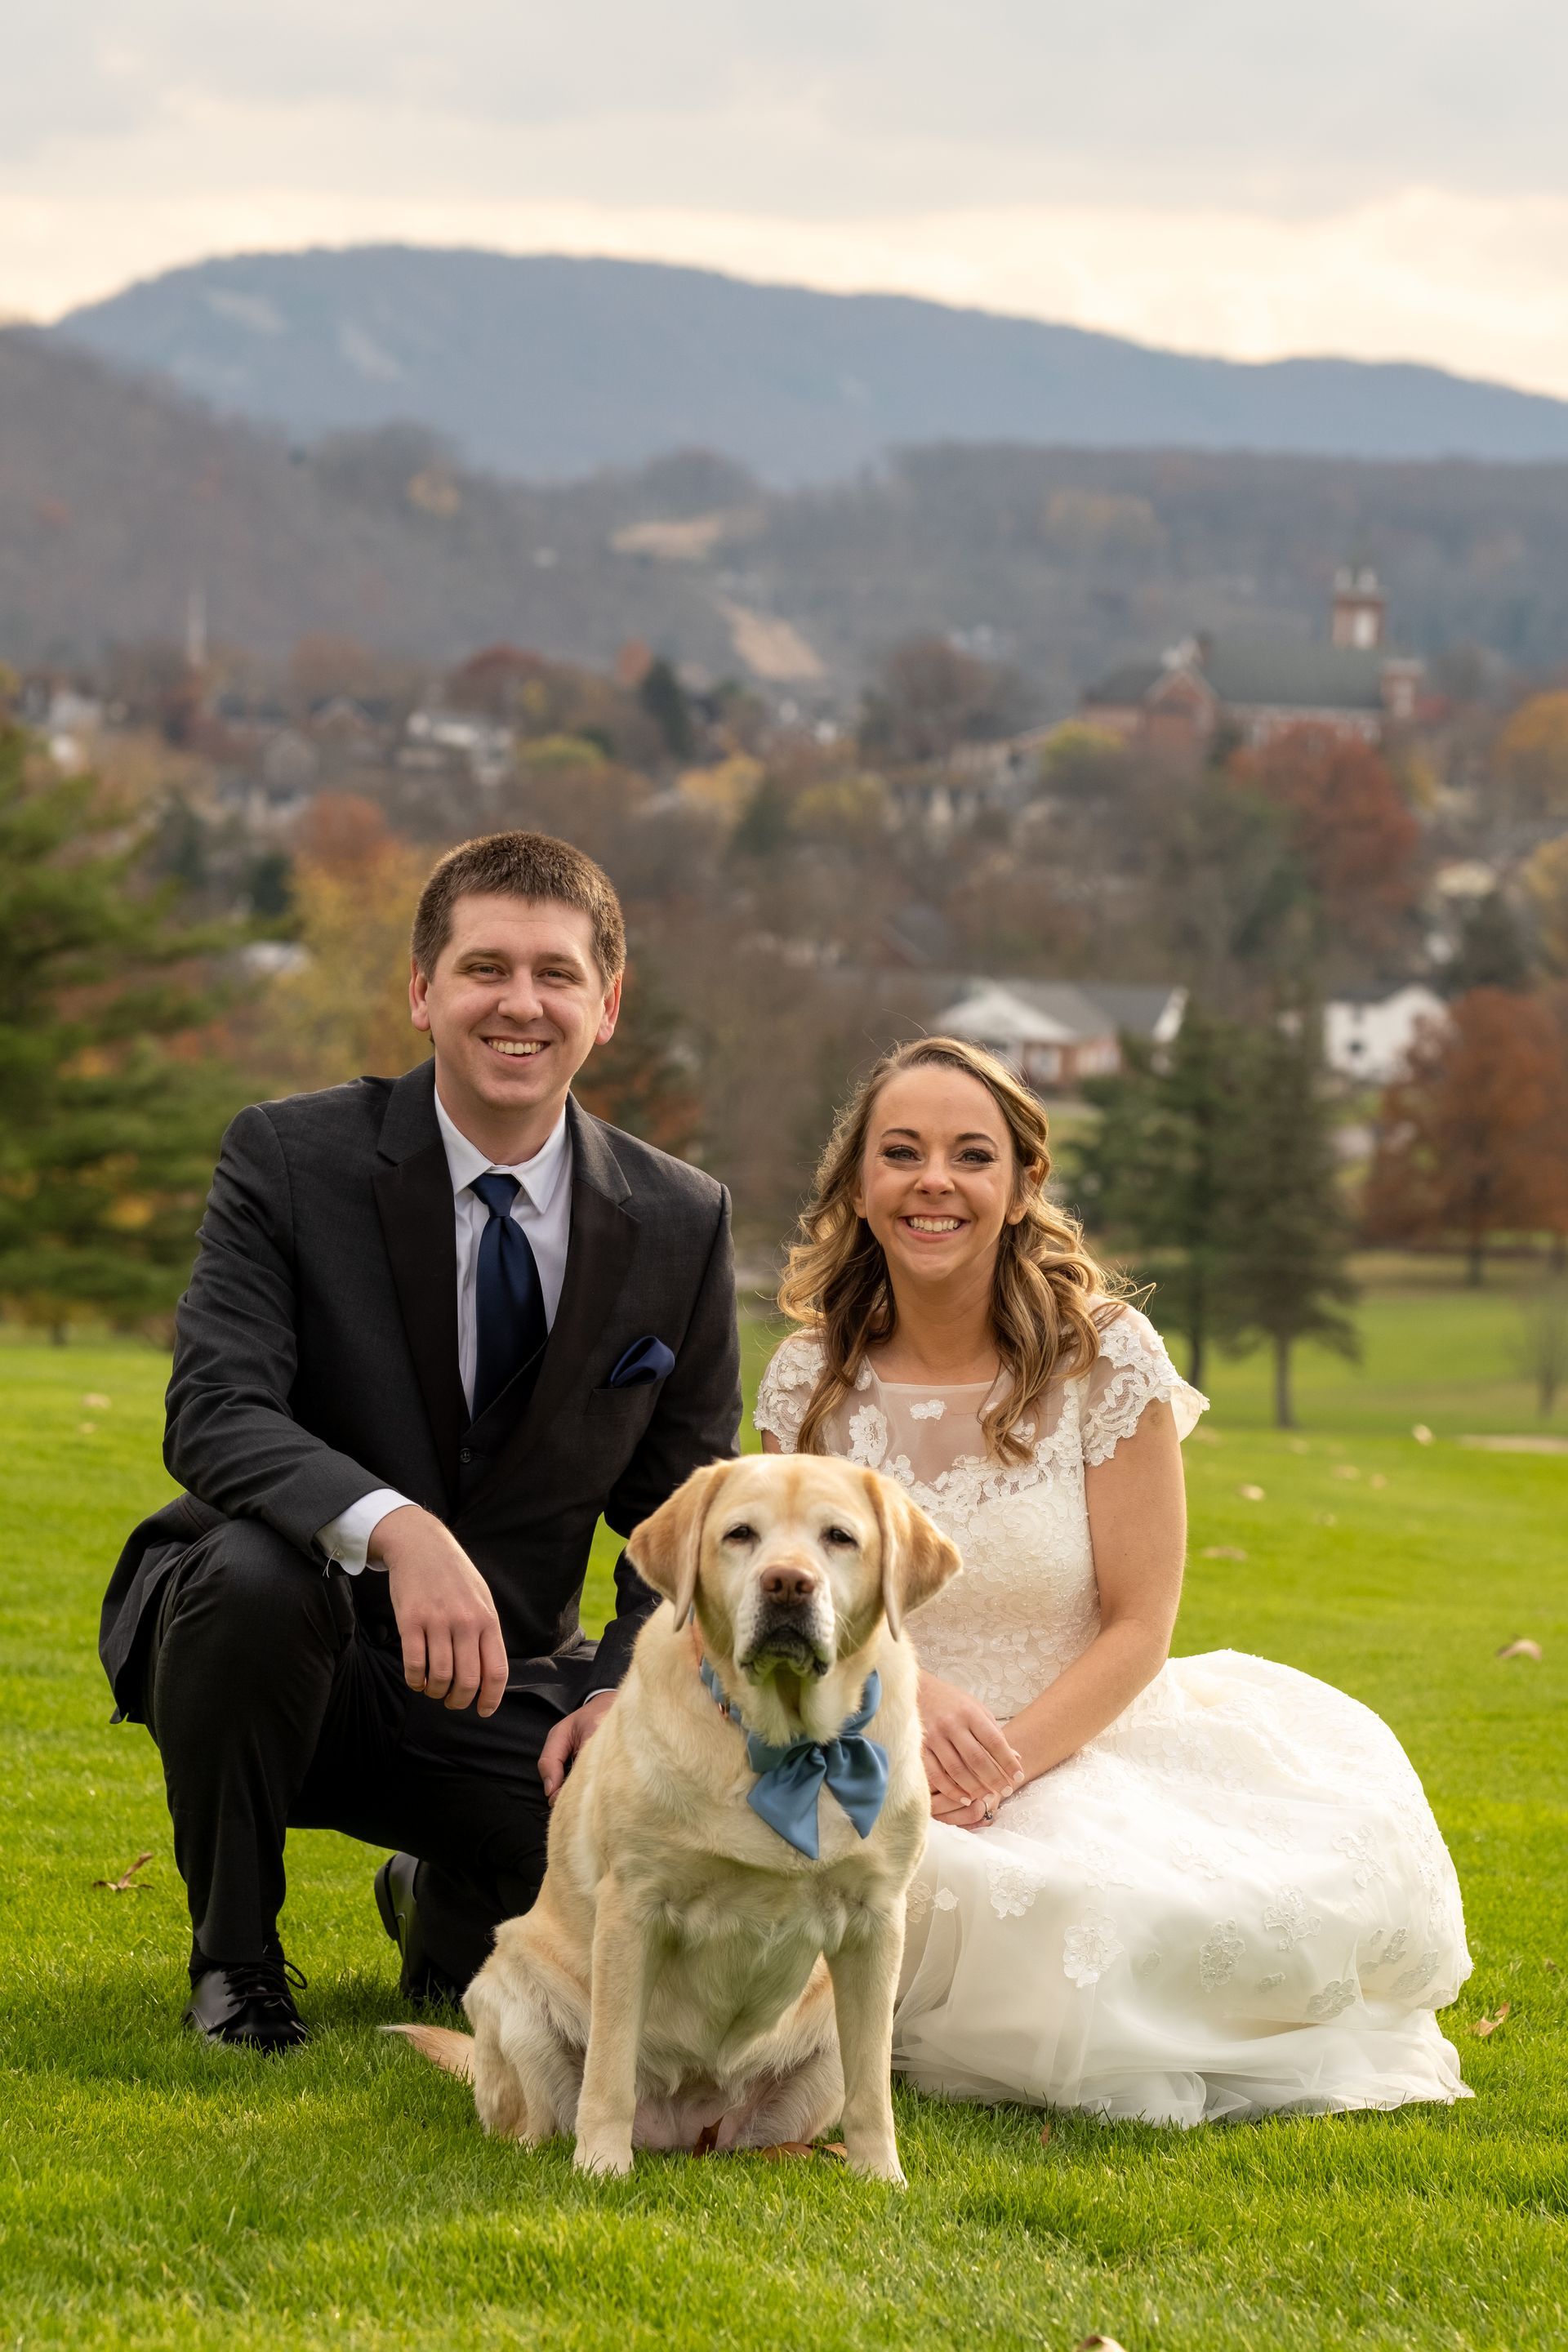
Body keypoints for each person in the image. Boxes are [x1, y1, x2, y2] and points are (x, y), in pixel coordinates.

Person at [755, 1036, 1470, 2125]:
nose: (933, 1181)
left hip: (1077, 1738)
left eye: (970, 1155)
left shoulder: (1106, 1357)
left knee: (1078, 1909)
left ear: (1022, 1183)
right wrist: (901, 1696)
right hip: (865, 1738)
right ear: (859, 1184)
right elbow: (782, 1616)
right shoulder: (810, 1378)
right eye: (901, 1153)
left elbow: (1143, 1621)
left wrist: (1005, 1771)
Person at [101, 831, 739, 2050]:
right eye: (484, 968)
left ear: (605, 1007)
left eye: (555, 975)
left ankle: (435, 1899)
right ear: (422, 993)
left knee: (595, 1909)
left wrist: (618, 1695)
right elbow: (218, 1409)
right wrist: (394, 1529)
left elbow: (688, 1524)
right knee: (252, 1573)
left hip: (497, 1679)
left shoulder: (680, 1218)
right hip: (271, 1643)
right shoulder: (289, 1158)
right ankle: (236, 1964)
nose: (519, 1003)